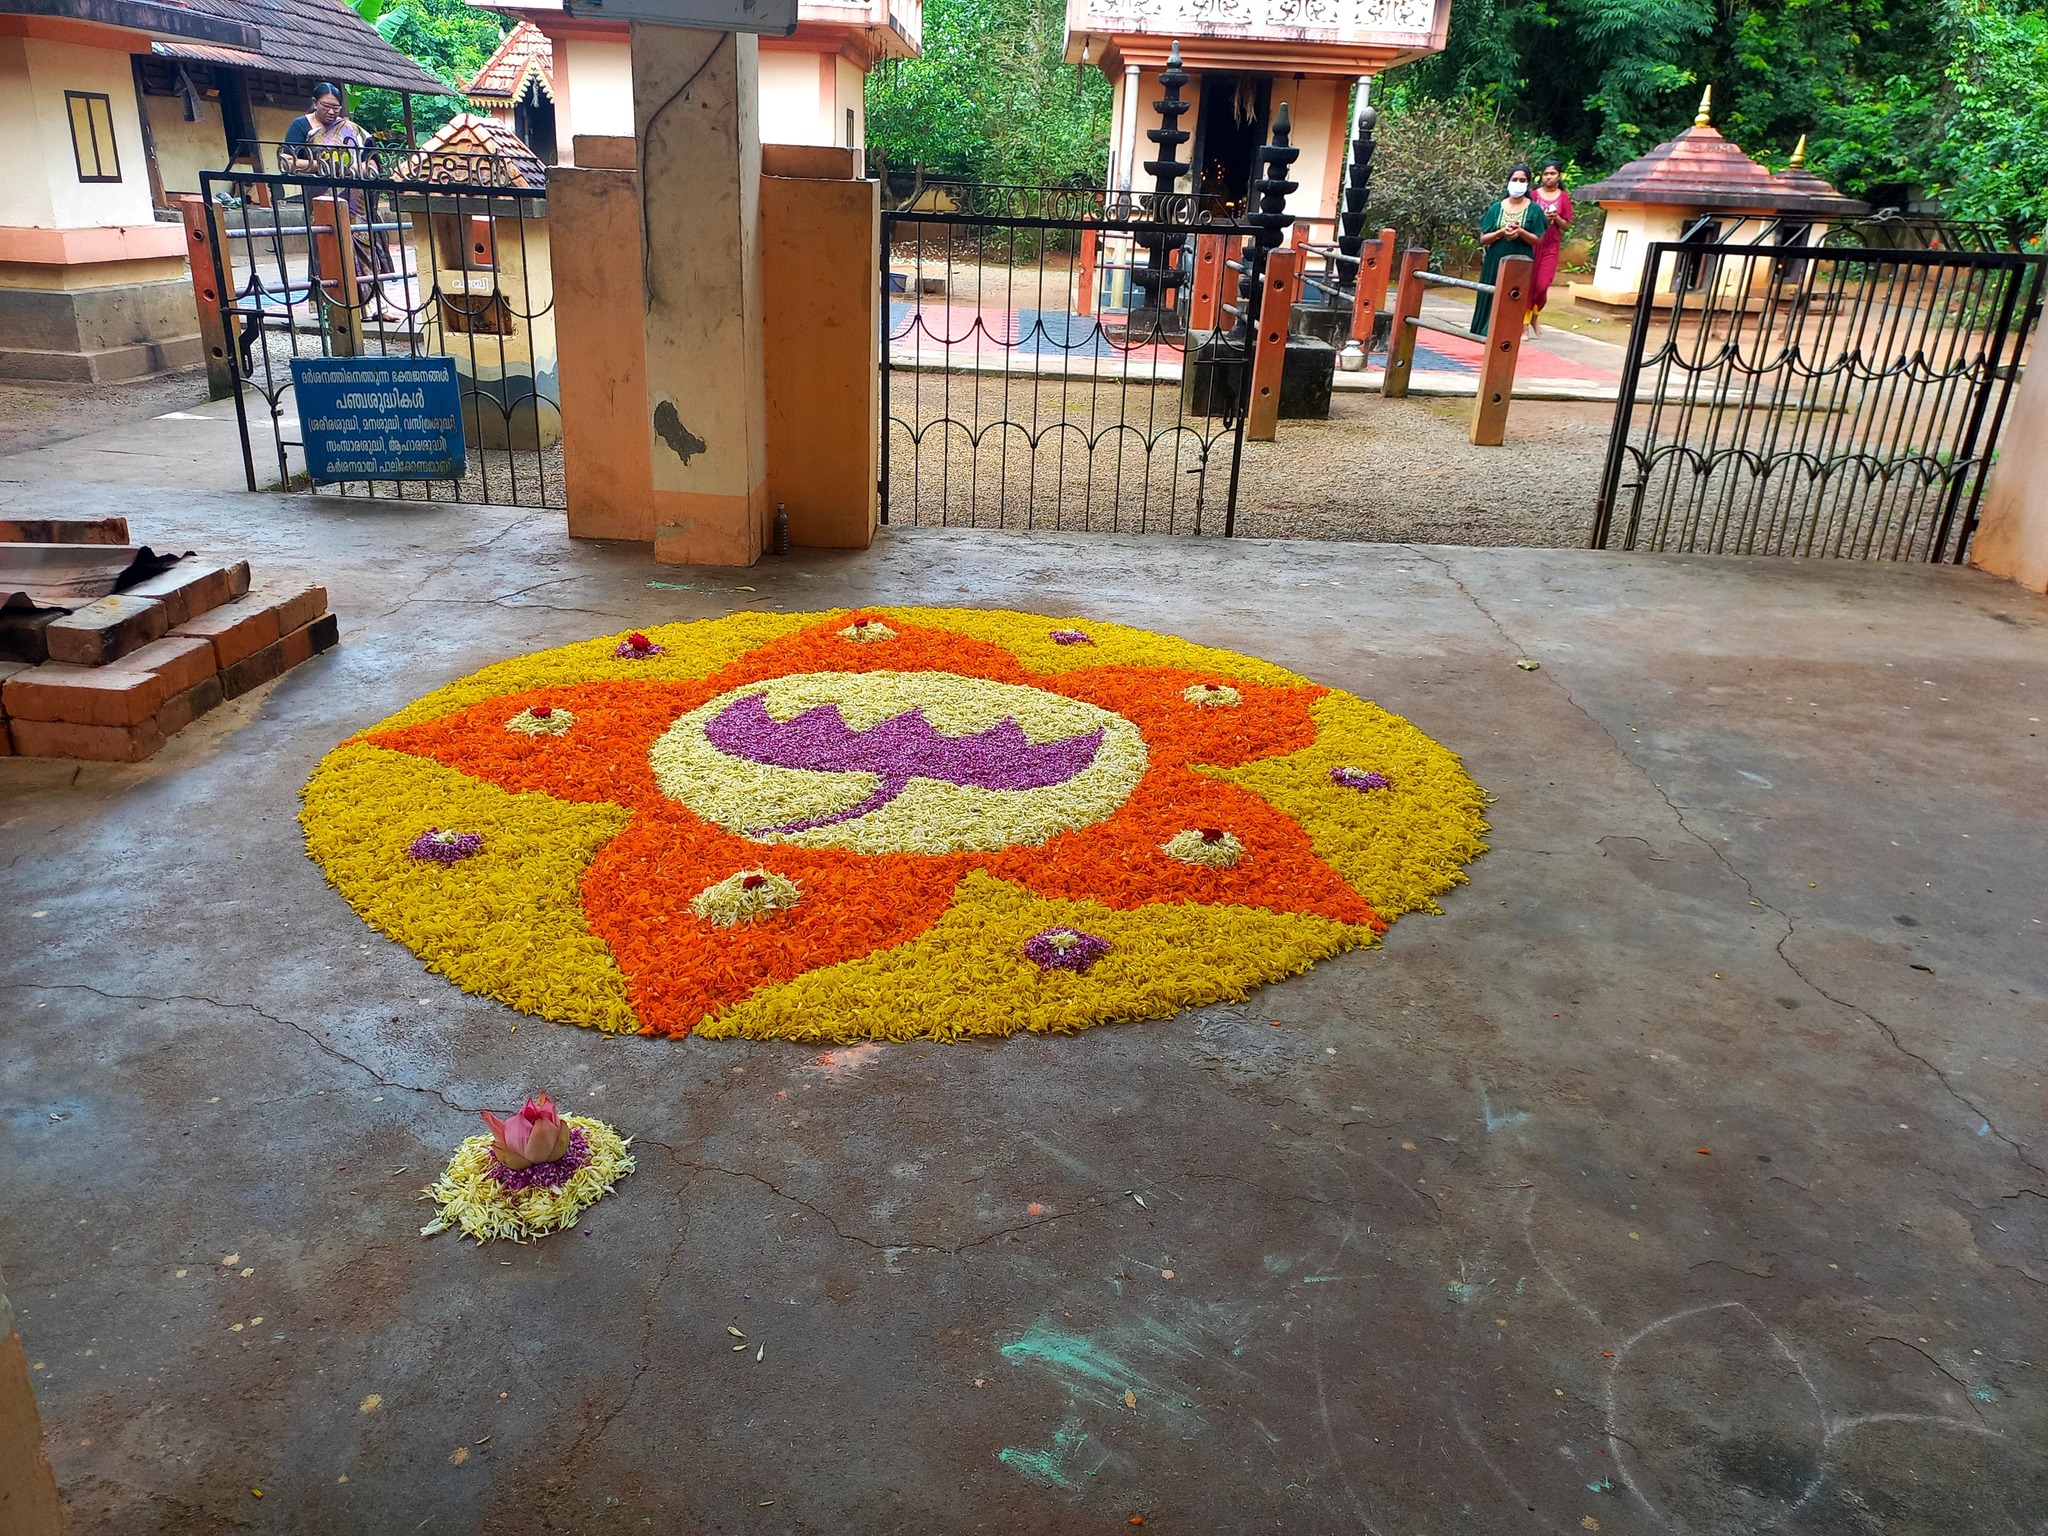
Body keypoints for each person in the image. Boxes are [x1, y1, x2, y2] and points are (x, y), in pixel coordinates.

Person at [1470, 165, 1547, 337]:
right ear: (1508, 182)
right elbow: (1483, 238)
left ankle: (1507, 333)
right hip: (1496, 257)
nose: (1518, 183)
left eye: (1522, 180)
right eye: (1514, 180)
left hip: (1521, 259)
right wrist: (1500, 232)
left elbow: (1538, 239)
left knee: (1513, 295)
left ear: (1528, 184)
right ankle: (1483, 330)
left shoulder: (1534, 209)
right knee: (1490, 293)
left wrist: (1521, 232)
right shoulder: (1497, 207)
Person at [1527, 160, 1574, 336]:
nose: (1549, 177)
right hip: (1532, 243)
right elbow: (1527, 220)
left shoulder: (1563, 197)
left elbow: (1567, 225)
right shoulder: (1533, 195)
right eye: (1546, 174)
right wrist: (1542, 218)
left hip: (1550, 246)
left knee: (1542, 284)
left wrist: (1557, 218)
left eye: (1552, 174)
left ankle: (1535, 315)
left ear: (1559, 176)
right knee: (1528, 284)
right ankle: (1524, 322)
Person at [279, 84, 368, 176]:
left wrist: (345, 168)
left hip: (351, 186)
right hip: (315, 185)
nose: (331, 112)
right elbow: (287, 163)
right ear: (315, 102)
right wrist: (325, 164)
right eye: (326, 106)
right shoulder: (301, 125)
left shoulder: (349, 128)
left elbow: (372, 166)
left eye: (336, 108)